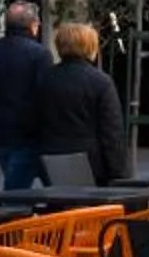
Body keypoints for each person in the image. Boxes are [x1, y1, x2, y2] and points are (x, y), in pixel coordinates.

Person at [0, 0, 55, 191]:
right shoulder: (40, 55)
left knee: (17, 181)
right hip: (27, 135)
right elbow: (47, 97)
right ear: (33, 25)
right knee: (17, 192)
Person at [28, 20, 127, 184]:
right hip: (91, 163)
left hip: (51, 159)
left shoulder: (44, 79)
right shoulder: (101, 82)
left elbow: (33, 120)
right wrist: (118, 172)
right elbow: (111, 132)